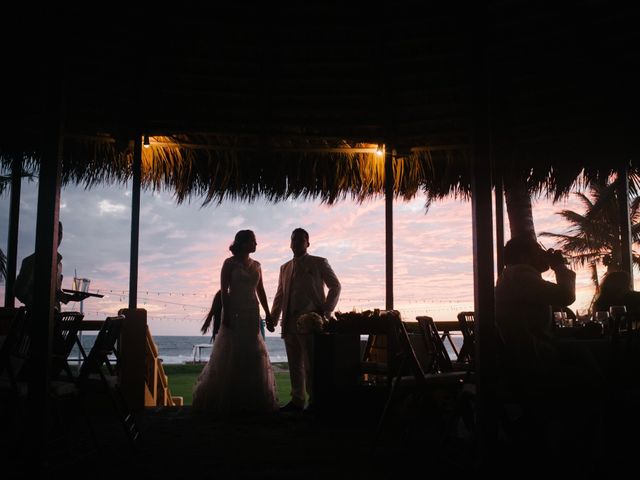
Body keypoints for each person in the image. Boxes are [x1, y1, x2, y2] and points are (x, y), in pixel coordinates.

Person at [192, 230, 278, 415]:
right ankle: (230, 398)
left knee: (253, 351)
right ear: (244, 243)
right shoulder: (229, 263)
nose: (256, 244)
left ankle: (252, 398)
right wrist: (228, 314)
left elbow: (260, 291)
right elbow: (224, 290)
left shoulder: (257, 265)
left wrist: (268, 313)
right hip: (235, 311)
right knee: (232, 352)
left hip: (252, 311)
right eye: (253, 241)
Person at [271, 228, 341, 413]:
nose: (297, 243)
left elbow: (335, 286)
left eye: (301, 240)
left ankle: (315, 401)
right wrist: (273, 317)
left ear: (308, 243)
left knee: (311, 365)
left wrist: (326, 311)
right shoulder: (284, 268)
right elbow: (280, 295)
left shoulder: (319, 263)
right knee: (294, 365)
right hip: (289, 322)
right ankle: (297, 400)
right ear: (290, 243)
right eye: (294, 240)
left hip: (311, 322)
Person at [14, 221, 87, 310]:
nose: (58, 236)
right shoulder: (32, 261)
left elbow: (55, 294)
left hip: (54, 318)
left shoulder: (59, 264)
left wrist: (72, 297)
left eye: (59, 233)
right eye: (55, 232)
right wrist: (39, 308)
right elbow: (19, 291)